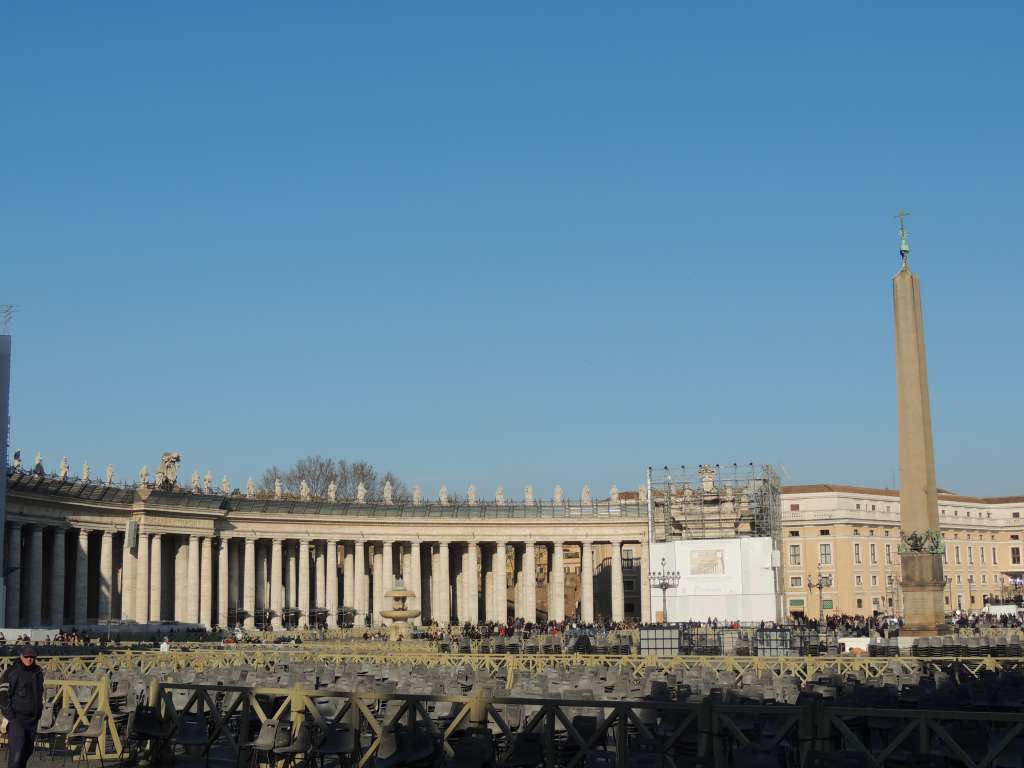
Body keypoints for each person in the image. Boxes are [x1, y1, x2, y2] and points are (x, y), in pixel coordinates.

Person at [0, 645, 45, 768]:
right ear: (21, 656)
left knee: (27, 752)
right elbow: (3, 697)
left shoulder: (38, 672)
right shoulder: (11, 672)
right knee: (16, 754)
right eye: (27, 656)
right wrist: (11, 717)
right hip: (16, 720)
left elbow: (40, 693)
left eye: (32, 657)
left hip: (33, 720)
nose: (29, 659)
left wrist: (39, 713)